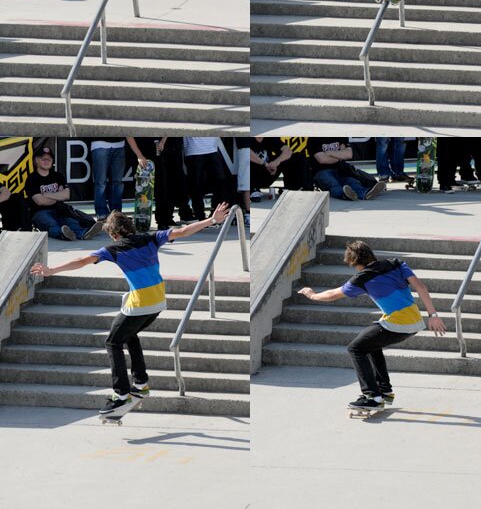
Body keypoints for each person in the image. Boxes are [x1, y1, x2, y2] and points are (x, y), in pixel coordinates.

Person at [30, 201, 231, 419]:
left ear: (113, 234)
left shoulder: (113, 249)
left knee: (112, 341)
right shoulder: (151, 238)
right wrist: (212, 220)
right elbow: (183, 231)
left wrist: (51, 270)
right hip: (158, 302)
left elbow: (82, 260)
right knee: (129, 335)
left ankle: (122, 393)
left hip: (140, 305)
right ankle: (141, 383)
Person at [298, 238, 446, 414]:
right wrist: (433, 315)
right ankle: (384, 391)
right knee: (371, 343)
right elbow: (420, 287)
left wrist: (312, 295)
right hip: (414, 321)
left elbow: (332, 295)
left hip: (398, 323)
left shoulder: (362, 277)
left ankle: (372, 397)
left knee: (355, 348)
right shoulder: (396, 264)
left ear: (355, 262)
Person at [25, 145, 103, 240]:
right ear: (36, 160)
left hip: (60, 210)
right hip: (40, 212)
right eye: (43, 159)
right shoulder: (32, 179)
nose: (46, 161)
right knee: (51, 224)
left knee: (71, 222)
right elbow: (39, 201)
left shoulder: (58, 176)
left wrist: (46, 195)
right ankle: (62, 234)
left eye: (49, 159)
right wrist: (57, 196)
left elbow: (66, 195)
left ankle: (83, 234)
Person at [307, 140, 386, 201]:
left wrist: (328, 153)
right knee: (332, 183)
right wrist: (340, 155)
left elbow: (349, 154)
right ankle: (344, 194)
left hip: (341, 169)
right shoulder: (314, 139)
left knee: (352, 181)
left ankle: (365, 193)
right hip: (321, 171)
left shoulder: (339, 135)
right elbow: (322, 159)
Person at [249, 137, 293, 202]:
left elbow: (288, 151)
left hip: (268, 173)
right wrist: (265, 164)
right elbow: (247, 151)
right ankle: (253, 190)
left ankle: (290, 188)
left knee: (292, 157)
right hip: (251, 177)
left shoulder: (270, 138)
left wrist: (276, 162)